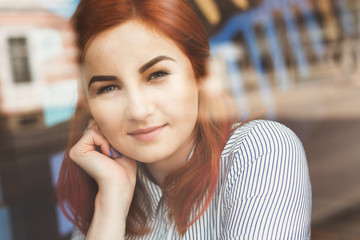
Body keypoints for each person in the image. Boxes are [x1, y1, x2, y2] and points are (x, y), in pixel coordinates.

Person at [56, 0, 312, 239]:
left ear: (198, 74)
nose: (138, 110)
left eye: (157, 74)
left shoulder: (259, 151)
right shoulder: (107, 198)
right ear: (89, 105)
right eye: (108, 88)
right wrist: (111, 200)